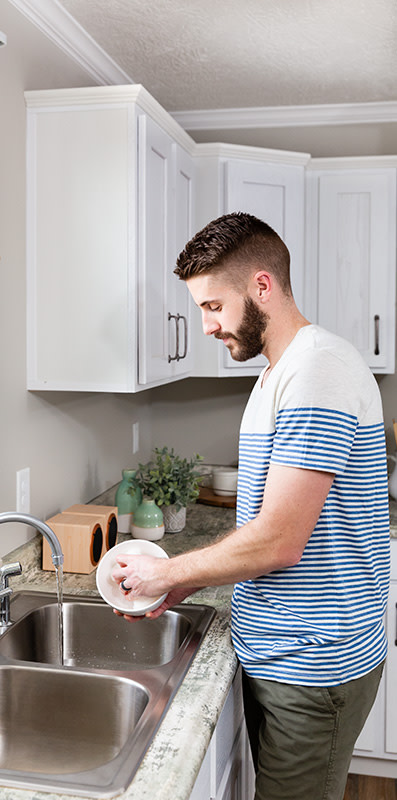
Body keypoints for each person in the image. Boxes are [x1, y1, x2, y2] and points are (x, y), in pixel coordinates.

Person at [112, 212, 390, 800]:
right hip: (282, 651)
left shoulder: (318, 372)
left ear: (261, 286)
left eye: (214, 305)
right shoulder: (279, 374)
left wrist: (168, 571)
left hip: (312, 664)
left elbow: (279, 539)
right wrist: (187, 585)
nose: (207, 325)